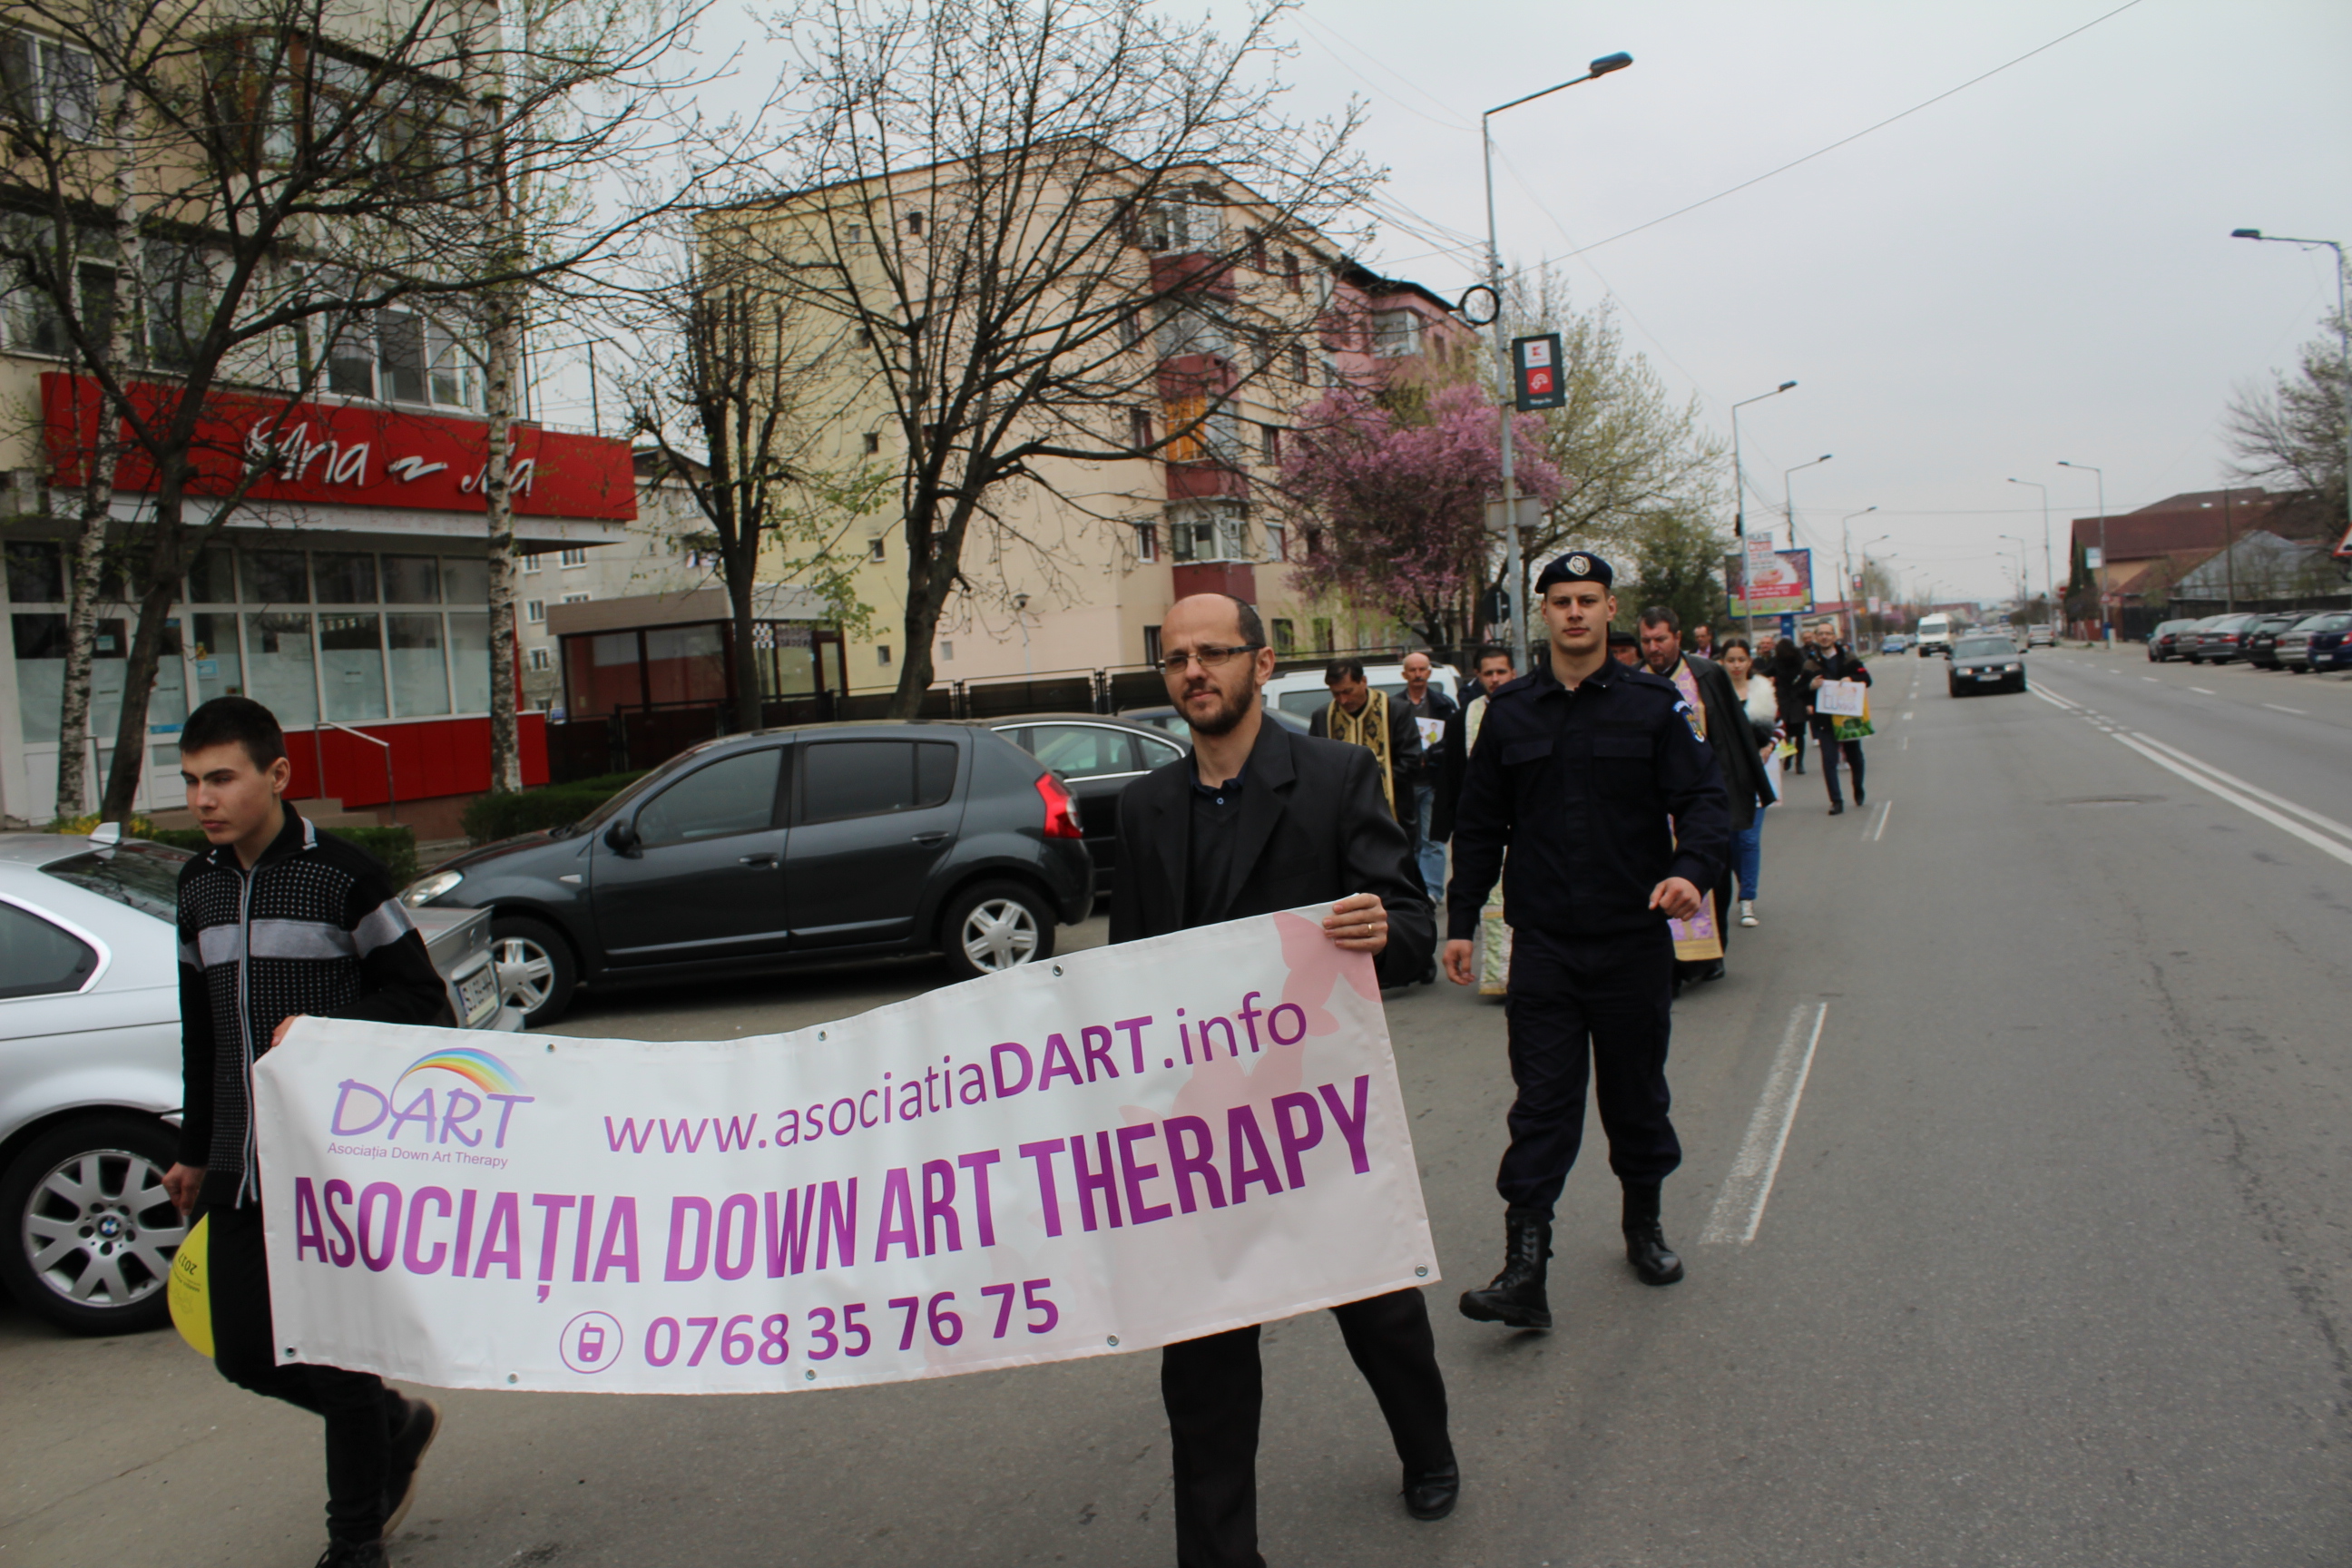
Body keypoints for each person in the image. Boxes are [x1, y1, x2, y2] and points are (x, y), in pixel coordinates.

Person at [1112, 594, 1459, 1563]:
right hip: (1200, 1131)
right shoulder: (1145, 807)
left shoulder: (1335, 777)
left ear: (1261, 665)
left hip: (1314, 1119)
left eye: (1215, 652)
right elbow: (1124, 975)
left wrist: (1383, 928)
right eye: (1177, 657)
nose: (1194, 671)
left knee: (1380, 1315)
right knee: (1203, 1359)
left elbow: (1412, 924)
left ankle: (1427, 1447)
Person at [162, 697, 452, 1568]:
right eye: (192, 781)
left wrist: (328, 1031)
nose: (203, 799)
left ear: (277, 774)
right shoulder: (197, 886)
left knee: (335, 1349)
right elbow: (203, 1030)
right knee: (244, 1351)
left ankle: (354, 1541)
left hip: (331, 1164)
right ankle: (392, 1423)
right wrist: (194, 1151)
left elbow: (424, 1002)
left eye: (222, 778)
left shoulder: (345, 878)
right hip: (240, 1160)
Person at [1444, 554, 1730, 1325]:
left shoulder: (1653, 705)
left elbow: (1705, 799)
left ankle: (1644, 1226)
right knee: (1541, 1106)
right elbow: (1479, 825)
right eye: (1562, 601)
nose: (1575, 612)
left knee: (1636, 1098)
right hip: (1546, 949)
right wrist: (1461, 923)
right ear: (1544, 613)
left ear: (1610, 610)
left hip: (1632, 943)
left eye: (1588, 600)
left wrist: (1691, 872)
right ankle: (1524, 1270)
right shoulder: (1509, 713)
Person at [1635, 607, 1773, 989]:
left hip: (1705, 792)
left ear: (1677, 638)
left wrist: (1743, 786)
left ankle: (1711, 955)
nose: (1653, 648)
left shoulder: (1705, 674)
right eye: (1647, 641)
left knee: (1712, 870)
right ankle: (1673, 958)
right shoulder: (1635, 680)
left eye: (1660, 639)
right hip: (1656, 802)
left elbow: (1732, 733)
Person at [1432, 645, 1516, 998]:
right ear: (1478, 676)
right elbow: (1451, 776)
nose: (1495, 679)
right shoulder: (1463, 718)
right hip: (1483, 825)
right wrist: (1445, 825)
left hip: (1522, 828)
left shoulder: (1529, 710)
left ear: (1513, 673)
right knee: (1489, 901)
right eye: (1488, 673)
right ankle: (1498, 975)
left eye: (1501, 672)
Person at [1309, 656, 1423, 827]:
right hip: (1343, 819)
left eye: (1348, 691)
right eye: (1336, 694)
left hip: (1393, 815)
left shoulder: (1396, 710)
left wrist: (1368, 784)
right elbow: (1314, 765)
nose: (1343, 700)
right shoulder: (1323, 716)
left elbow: (1412, 759)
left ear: (1363, 681)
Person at [1717, 637, 1782, 926]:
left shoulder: (1763, 690)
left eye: (1741, 660)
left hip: (1755, 774)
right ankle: (1743, 885)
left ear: (1749, 662)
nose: (1736, 665)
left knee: (1749, 840)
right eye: (1730, 660)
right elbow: (1696, 725)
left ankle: (1747, 900)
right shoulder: (1713, 690)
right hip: (1722, 775)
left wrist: (1769, 747)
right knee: (1730, 842)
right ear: (1722, 662)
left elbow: (1779, 725)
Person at [1396, 651, 1458, 903]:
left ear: (1429, 673)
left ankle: (1432, 891)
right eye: (1412, 670)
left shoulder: (1443, 703)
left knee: (1432, 839)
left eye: (1422, 669)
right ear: (1405, 674)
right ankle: (1413, 888)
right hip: (1404, 781)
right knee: (1408, 839)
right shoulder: (1394, 705)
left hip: (1433, 780)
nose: (1418, 674)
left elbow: (1453, 738)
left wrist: (1429, 755)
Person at [1800, 620, 1873, 816]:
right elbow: (1799, 689)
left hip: (1847, 717)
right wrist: (1810, 687)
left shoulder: (1848, 658)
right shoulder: (1810, 662)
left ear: (1835, 636)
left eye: (1828, 633)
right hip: (1824, 719)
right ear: (1816, 638)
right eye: (1821, 634)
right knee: (1829, 760)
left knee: (1855, 757)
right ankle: (1836, 800)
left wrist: (1852, 679)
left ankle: (1858, 787)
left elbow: (1867, 679)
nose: (1824, 637)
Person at [1769, 636, 1809, 775]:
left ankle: (1795, 760)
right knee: (1792, 733)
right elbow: (1768, 671)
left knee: (1794, 733)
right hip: (1790, 699)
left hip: (1793, 699)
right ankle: (1794, 759)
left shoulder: (1796, 660)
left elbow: (1806, 677)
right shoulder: (1782, 661)